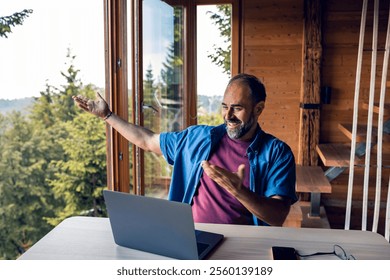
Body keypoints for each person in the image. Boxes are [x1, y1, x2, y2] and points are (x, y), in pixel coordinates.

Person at [73, 73, 297, 226]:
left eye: (237, 108)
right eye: (225, 107)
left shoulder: (278, 153)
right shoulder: (196, 137)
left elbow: (277, 216)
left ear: (258, 109)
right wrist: (107, 116)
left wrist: (239, 191)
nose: (228, 116)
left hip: (244, 245)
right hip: (189, 238)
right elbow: (147, 140)